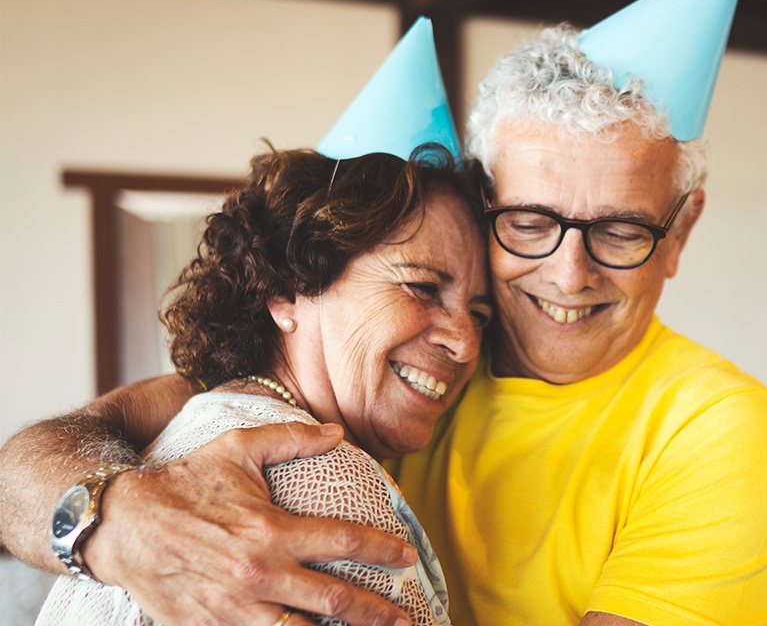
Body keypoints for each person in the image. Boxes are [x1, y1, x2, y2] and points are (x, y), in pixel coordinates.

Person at [0, 0, 767, 625]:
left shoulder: (717, 429)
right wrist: (118, 522)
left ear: (679, 231)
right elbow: (25, 467)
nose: (568, 274)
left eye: (621, 229)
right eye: (531, 223)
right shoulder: (380, 380)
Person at [35, 144, 490, 626]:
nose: (466, 344)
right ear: (288, 290)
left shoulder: (189, 429)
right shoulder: (326, 481)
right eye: (422, 287)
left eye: (480, 316)